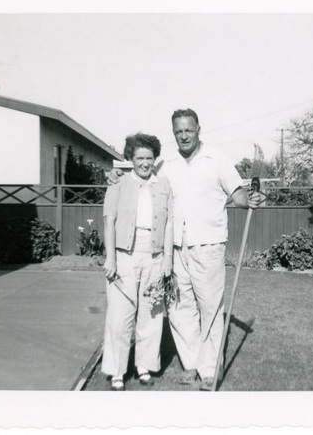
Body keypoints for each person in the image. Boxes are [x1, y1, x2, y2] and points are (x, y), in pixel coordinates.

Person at [107, 109, 260, 390]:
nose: (184, 135)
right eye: (178, 131)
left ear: (199, 129)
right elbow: (140, 175)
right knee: (178, 308)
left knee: (210, 308)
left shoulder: (217, 160)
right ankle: (191, 365)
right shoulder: (168, 164)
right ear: (174, 133)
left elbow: (238, 195)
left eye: (189, 130)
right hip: (176, 248)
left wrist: (251, 198)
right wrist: (117, 175)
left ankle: (210, 371)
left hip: (208, 245)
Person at [101, 133, 173, 391]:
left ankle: (144, 366)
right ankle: (117, 370)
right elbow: (109, 220)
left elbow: (169, 223)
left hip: (153, 257)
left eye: (149, 158)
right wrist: (111, 258)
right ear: (130, 158)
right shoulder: (118, 184)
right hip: (124, 257)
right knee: (120, 316)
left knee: (152, 313)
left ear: (155, 159)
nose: (145, 163)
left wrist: (167, 259)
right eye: (140, 158)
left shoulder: (163, 185)